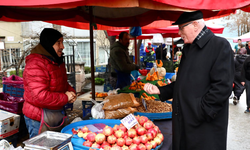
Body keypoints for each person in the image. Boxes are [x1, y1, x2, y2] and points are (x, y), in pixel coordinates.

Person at [143, 10, 234, 150]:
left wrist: (199, 111)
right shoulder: (188, 49)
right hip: (185, 123)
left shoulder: (219, 46)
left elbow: (222, 88)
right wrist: (161, 90)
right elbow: (183, 83)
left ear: (196, 25)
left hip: (204, 128)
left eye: (181, 27)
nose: (179, 32)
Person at [23, 28, 76, 138]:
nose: (62, 46)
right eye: (58, 43)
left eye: (62, 42)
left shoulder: (55, 61)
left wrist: (71, 92)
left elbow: (62, 84)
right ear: (49, 43)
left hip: (55, 114)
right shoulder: (35, 64)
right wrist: (65, 98)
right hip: (38, 117)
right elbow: (40, 96)